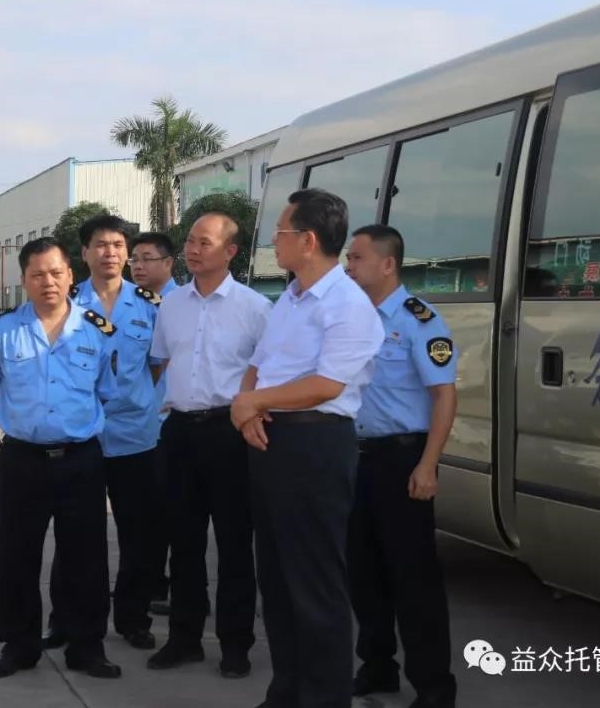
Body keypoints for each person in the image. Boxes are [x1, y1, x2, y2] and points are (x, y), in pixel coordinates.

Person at [232, 188, 384, 708]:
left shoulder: (348, 305)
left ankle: (324, 698)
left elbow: (326, 385)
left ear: (309, 240)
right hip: (272, 439)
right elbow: (259, 363)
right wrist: (249, 407)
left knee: (315, 583)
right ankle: (287, 692)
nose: (273, 242)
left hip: (316, 444)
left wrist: (252, 402)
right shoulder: (291, 299)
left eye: (280, 232)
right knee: (276, 580)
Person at [0, 237, 121, 680]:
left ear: (70, 275)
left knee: (86, 557)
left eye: (56, 272)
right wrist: (29, 421)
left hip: (81, 459)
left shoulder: (96, 329)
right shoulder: (3, 331)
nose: (48, 282)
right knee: (17, 555)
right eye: (37, 274)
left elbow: (104, 390)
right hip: (22, 461)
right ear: (24, 280)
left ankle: (86, 646)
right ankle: (19, 646)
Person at [147, 213, 270, 678]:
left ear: (230, 251)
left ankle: (236, 645)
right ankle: (184, 638)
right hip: (180, 432)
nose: (193, 249)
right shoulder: (171, 305)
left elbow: (271, 372)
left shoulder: (255, 308)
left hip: (230, 434)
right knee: (183, 542)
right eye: (190, 241)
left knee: (235, 544)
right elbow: (163, 361)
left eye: (205, 242)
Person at [343, 224, 458, 708]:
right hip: (355, 458)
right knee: (363, 571)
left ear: (387, 264)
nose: (348, 266)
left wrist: (428, 464)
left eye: (357, 258)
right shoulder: (352, 317)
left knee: (413, 576)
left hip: (402, 459)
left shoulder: (419, 320)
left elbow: (445, 396)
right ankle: (377, 666)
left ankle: (434, 686)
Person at [46, 214, 163, 651]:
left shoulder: (150, 305)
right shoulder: (67, 302)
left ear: (126, 253)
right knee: (75, 535)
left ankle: (133, 618)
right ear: (84, 253)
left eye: (117, 245)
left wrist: (134, 398)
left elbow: (157, 364)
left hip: (136, 436)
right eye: (100, 244)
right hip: (82, 438)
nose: (109, 252)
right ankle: (65, 620)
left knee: (139, 535)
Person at [129, 231, 179, 616]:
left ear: (168, 263)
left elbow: (162, 364)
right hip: (143, 427)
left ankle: (168, 586)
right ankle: (150, 583)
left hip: (175, 422)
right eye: (135, 259)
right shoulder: (131, 303)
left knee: (173, 511)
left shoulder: (183, 304)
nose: (138, 266)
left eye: (147, 258)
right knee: (147, 511)